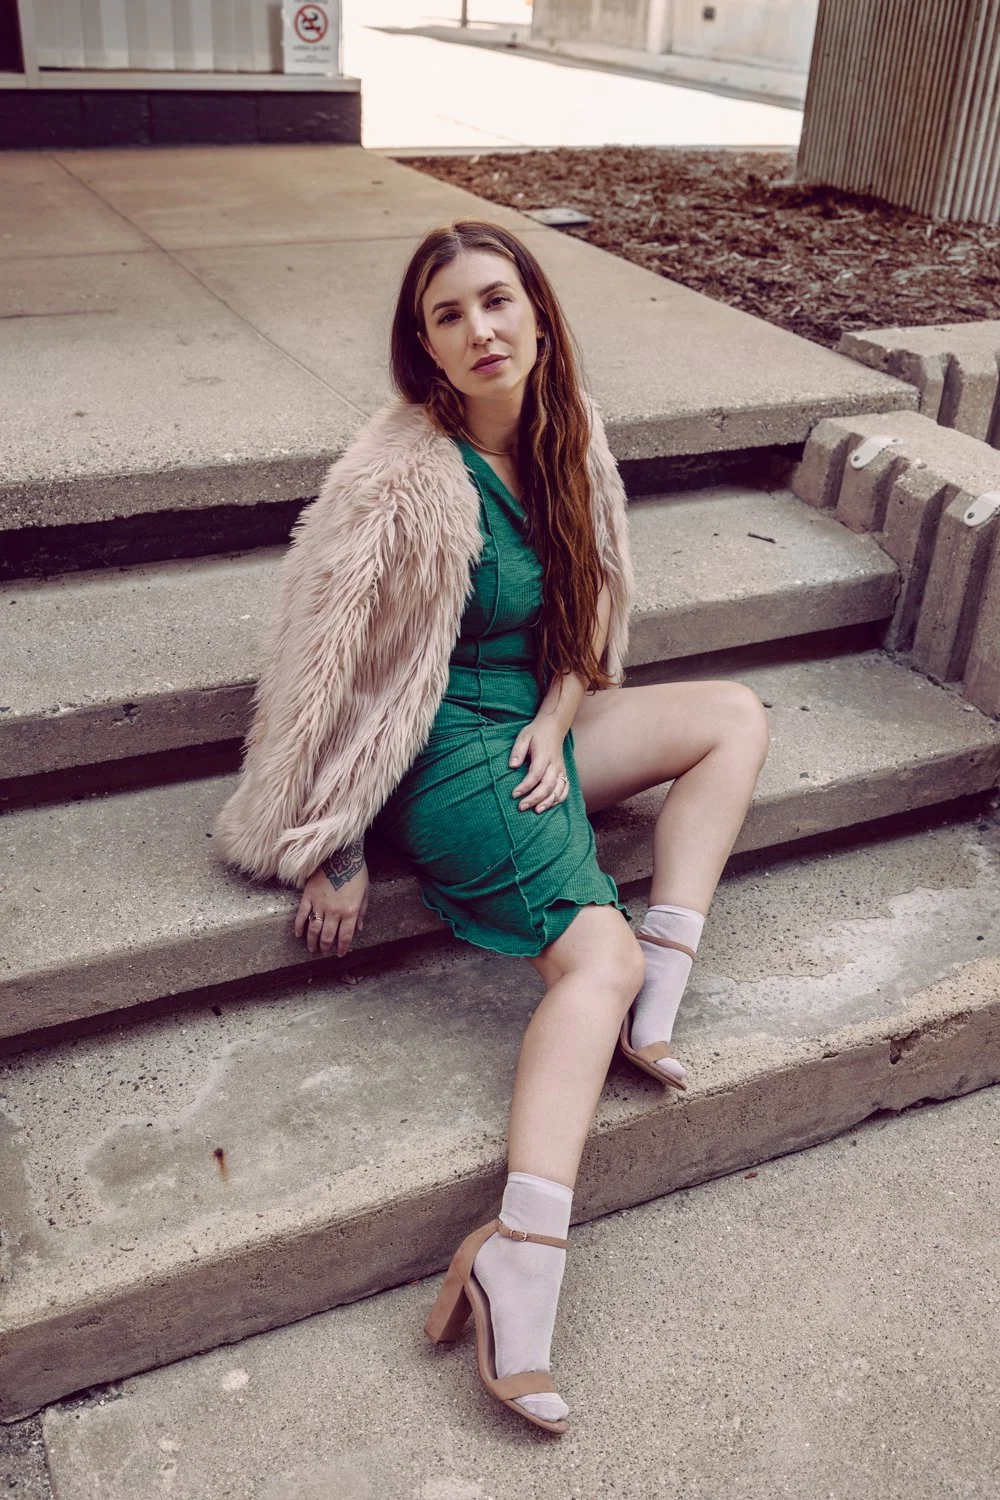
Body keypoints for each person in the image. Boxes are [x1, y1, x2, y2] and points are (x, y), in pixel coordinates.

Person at [215, 218, 770, 1436]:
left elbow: (588, 601)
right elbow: (329, 674)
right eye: (447, 316)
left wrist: (565, 705)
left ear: (537, 310)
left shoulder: (567, 432)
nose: (481, 331)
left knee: (734, 715)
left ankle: (658, 989)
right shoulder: (401, 478)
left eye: (496, 300)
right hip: (439, 750)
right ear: (422, 348)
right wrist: (338, 843)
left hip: (532, 722)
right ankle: (520, 1249)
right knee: (591, 954)